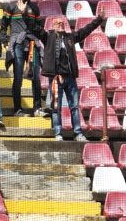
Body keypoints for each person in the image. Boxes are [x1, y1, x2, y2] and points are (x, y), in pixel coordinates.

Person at [24, 12, 107, 141]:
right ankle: (58, 133)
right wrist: (24, 13)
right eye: (57, 23)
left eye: (62, 23)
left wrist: (99, 19)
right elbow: (33, 27)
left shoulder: (70, 37)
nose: (60, 25)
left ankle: (78, 133)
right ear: (52, 25)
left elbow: (86, 30)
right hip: (56, 79)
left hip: (70, 78)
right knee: (56, 107)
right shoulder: (47, 36)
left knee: (74, 106)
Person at [1, 0, 45, 117]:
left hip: (32, 43)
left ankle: (37, 108)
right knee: (18, 77)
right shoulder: (11, 7)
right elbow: (3, 26)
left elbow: (39, 28)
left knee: (36, 78)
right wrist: (4, 40)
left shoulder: (35, 8)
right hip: (18, 45)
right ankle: (17, 110)